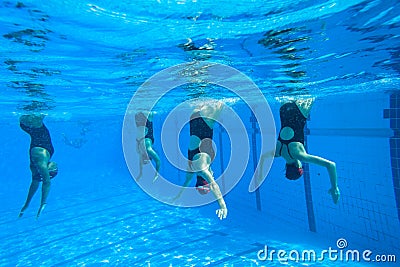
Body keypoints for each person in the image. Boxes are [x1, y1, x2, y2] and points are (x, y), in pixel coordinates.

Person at [258, 98, 340, 204]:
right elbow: (263, 157)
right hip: (284, 109)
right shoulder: (277, 153)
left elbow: (331, 165)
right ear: (286, 167)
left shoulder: (300, 155)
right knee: (290, 84)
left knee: (307, 86)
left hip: (299, 112)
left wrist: (334, 188)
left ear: (299, 167)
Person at [174, 100, 227, 220]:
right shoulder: (191, 171)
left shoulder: (203, 169)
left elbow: (214, 186)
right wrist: (177, 197)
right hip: (193, 119)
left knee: (220, 102)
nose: (214, 175)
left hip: (205, 122)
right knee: (198, 96)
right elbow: (185, 184)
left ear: (205, 180)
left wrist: (222, 206)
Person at [18, 114, 58, 218]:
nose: (56, 166)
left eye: (55, 169)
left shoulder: (42, 163)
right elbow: (35, 182)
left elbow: (46, 182)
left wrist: (43, 203)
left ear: (50, 170)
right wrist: (26, 204)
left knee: (40, 106)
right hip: (29, 127)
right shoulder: (36, 168)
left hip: (35, 126)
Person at [135, 111, 161, 182]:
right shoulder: (148, 150)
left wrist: (140, 173)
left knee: (139, 111)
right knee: (145, 110)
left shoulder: (141, 152)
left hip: (142, 126)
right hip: (145, 125)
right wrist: (156, 174)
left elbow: (140, 163)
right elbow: (158, 161)